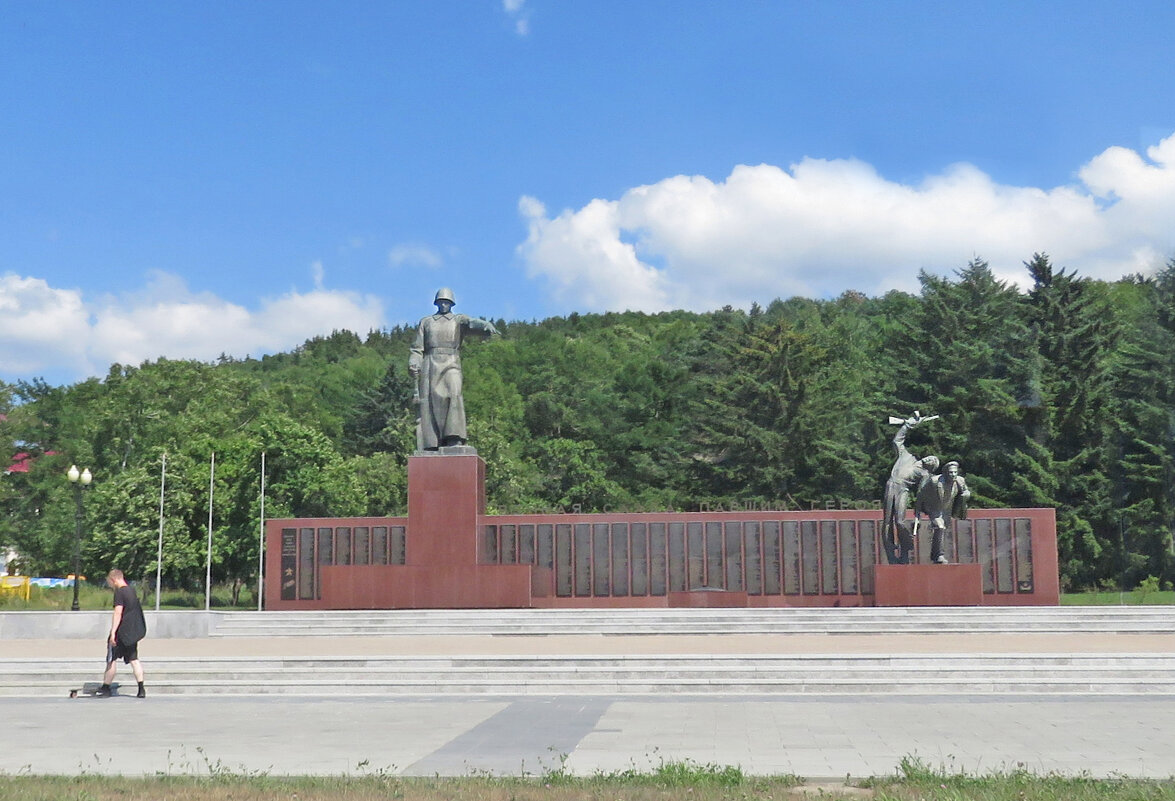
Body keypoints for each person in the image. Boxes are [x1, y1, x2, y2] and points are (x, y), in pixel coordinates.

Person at [408, 288, 499, 451]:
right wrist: (414, 362)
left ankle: (454, 437)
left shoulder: (458, 320)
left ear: (452, 304)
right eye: (441, 302)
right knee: (430, 402)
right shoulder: (426, 322)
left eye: (447, 302)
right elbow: (417, 348)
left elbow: (471, 323)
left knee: (454, 393)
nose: (444, 304)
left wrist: (485, 325)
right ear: (436, 303)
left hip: (451, 362)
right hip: (430, 364)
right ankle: (431, 442)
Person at [880, 415, 940, 564]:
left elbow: (922, 493)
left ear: (931, 467)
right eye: (931, 457)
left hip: (903, 490)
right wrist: (907, 426)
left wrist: (919, 510)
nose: (930, 459)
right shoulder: (907, 456)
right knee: (887, 521)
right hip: (891, 485)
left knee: (900, 522)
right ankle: (891, 554)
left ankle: (905, 549)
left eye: (933, 461)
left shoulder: (924, 474)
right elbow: (897, 441)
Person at [96, 569, 147, 698]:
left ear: (113, 579)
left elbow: (118, 612)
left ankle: (106, 688)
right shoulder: (132, 591)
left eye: (110, 582)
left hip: (121, 632)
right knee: (134, 659)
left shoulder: (119, 592)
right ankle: (141, 689)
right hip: (131, 633)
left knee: (112, 660)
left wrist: (113, 632)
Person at [916, 460, 971, 564]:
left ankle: (935, 555)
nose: (953, 475)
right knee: (940, 527)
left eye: (955, 472)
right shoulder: (934, 481)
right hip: (934, 508)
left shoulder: (960, 481)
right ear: (945, 473)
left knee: (942, 530)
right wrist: (917, 514)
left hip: (947, 510)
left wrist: (966, 495)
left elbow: (965, 491)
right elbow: (921, 495)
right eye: (951, 472)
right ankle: (940, 555)